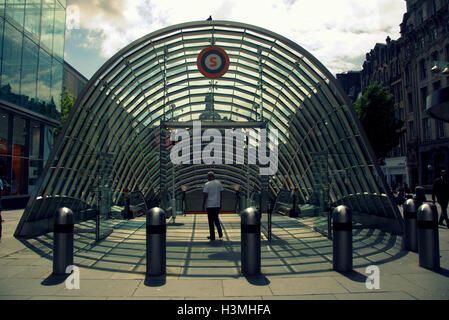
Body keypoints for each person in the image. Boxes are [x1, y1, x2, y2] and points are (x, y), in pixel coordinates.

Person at [203, 171, 223, 240]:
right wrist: (220, 203)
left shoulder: (207, 184)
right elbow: (221, 194)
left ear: (209, 177)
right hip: (217, 204)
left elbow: (205, 195)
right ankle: (220, 232)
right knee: (216, 218)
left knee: (211, 221)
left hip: (210, 205)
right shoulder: (219, 183)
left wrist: (203, 204)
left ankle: (212, 235)